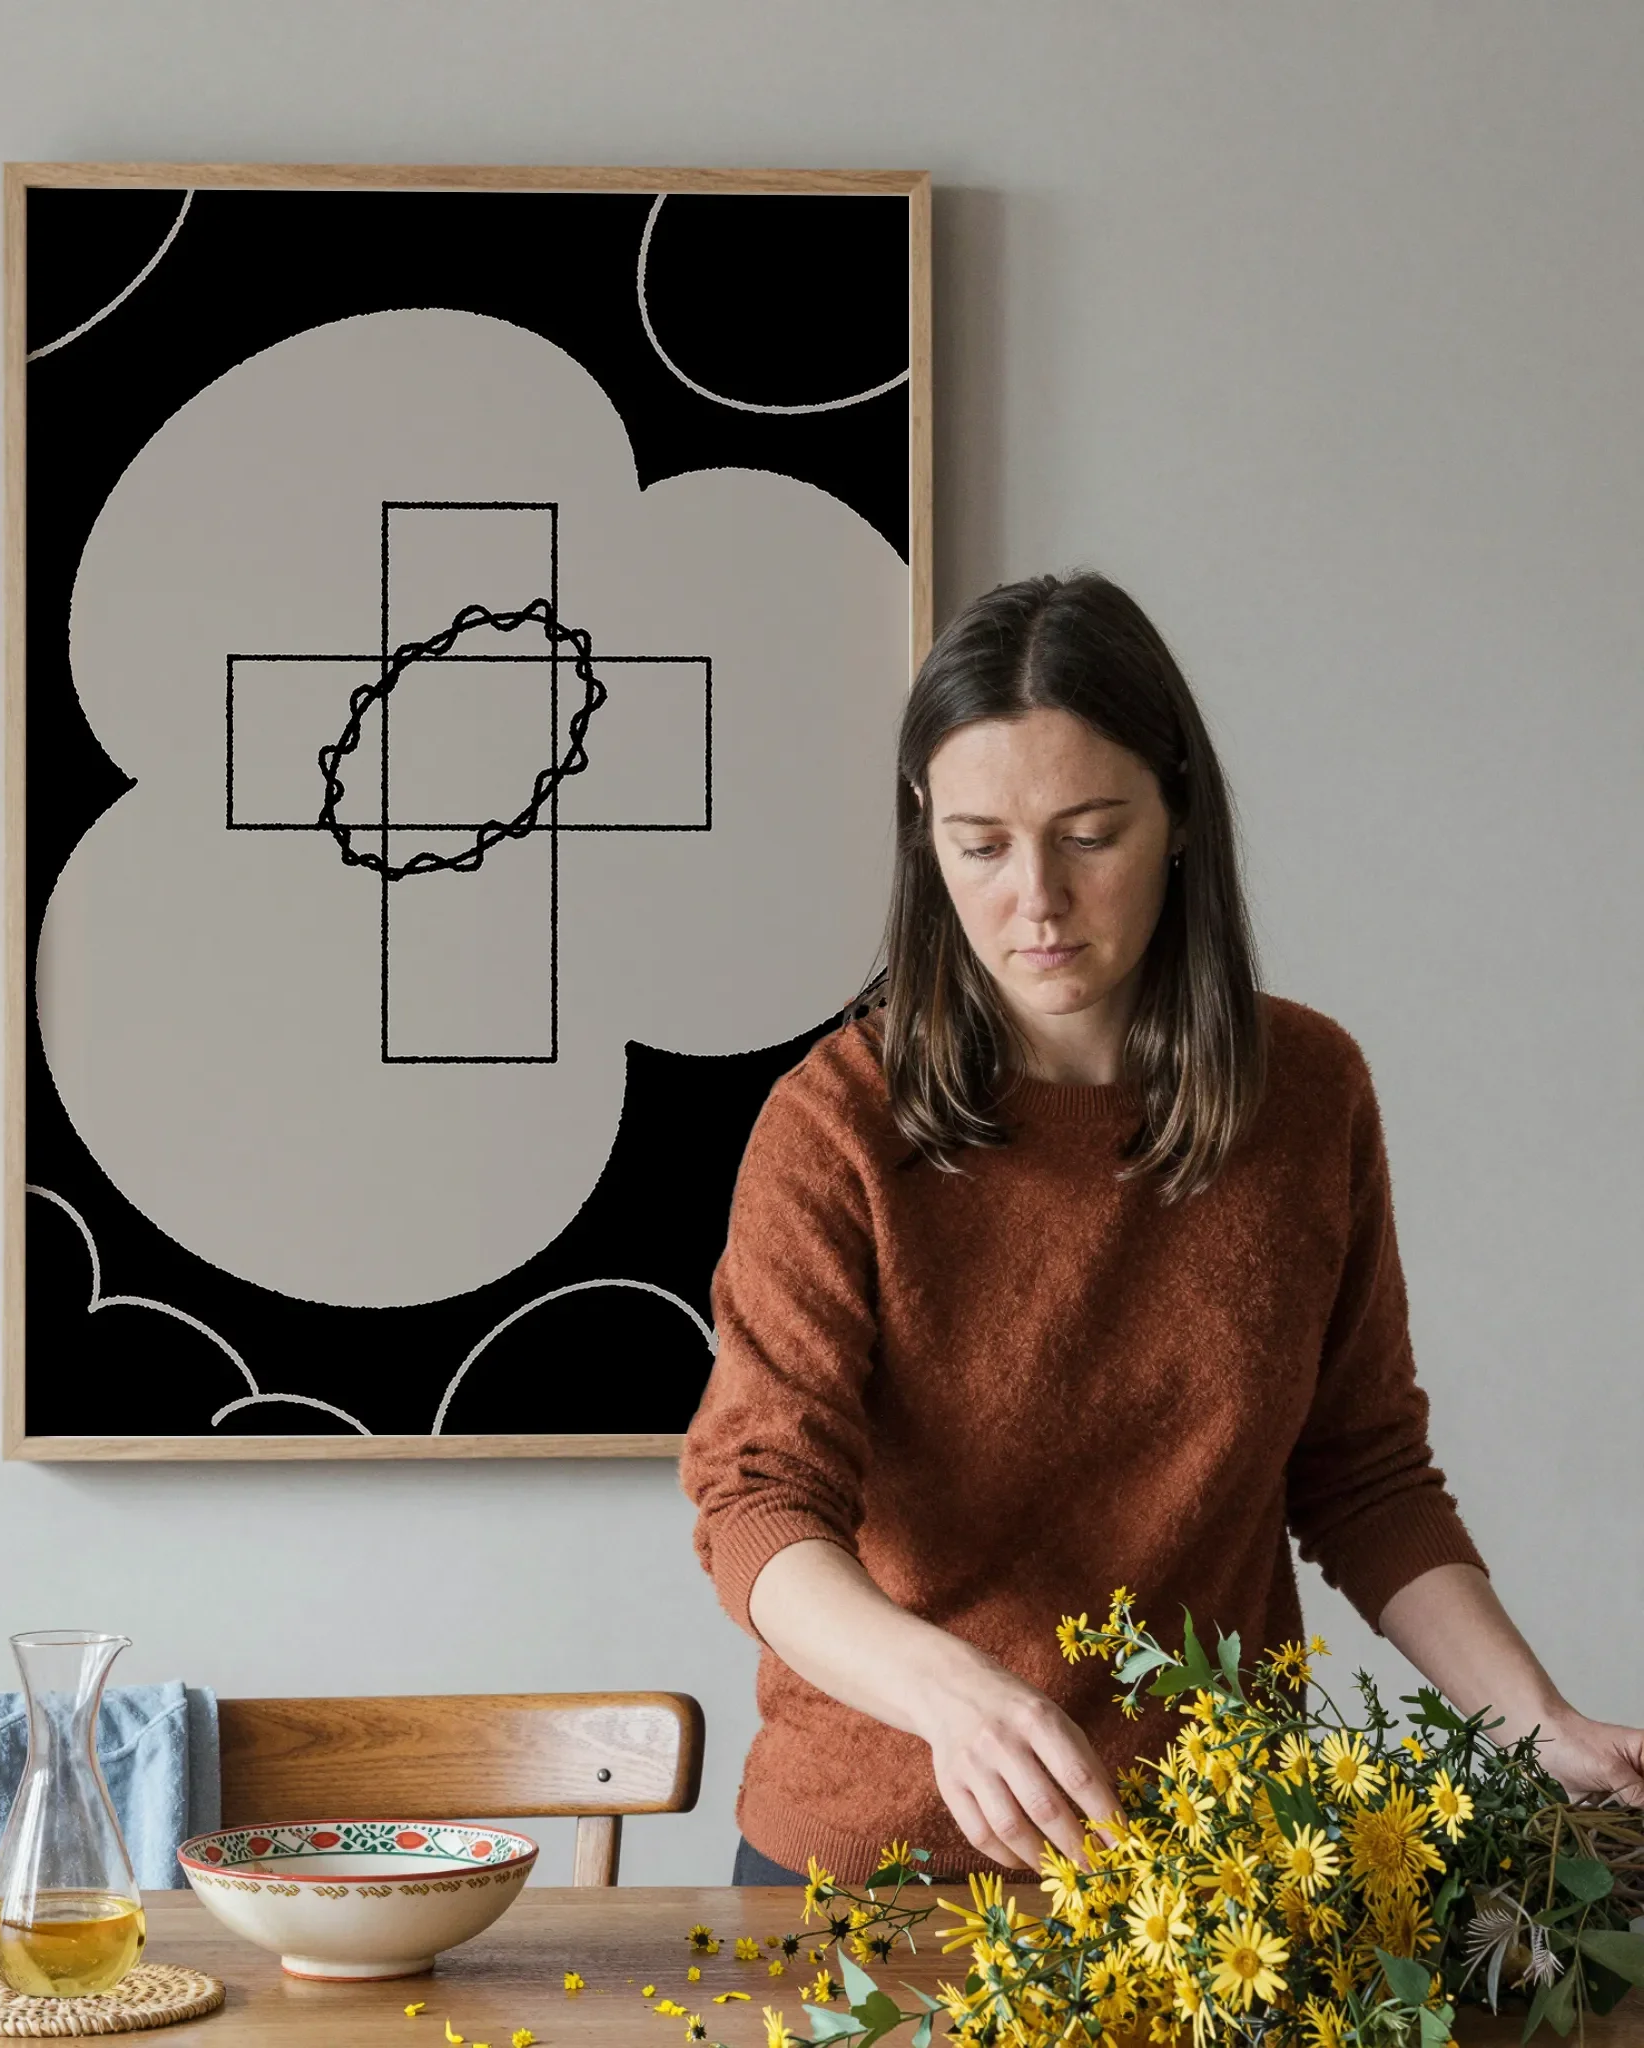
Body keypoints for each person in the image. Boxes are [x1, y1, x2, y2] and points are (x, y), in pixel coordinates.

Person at [679, 572, 1644, 1888]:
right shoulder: (837, 1125)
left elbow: (1363, 1477)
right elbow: (756, 1505)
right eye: (980, 843)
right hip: (875, 1867)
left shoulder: (1307, 1096)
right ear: (925, 838)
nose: (1038, 898)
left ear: (1179, 814)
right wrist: (955, 1696)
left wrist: (1537, 1720)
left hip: (1219, 1872)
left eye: (1089, 834)